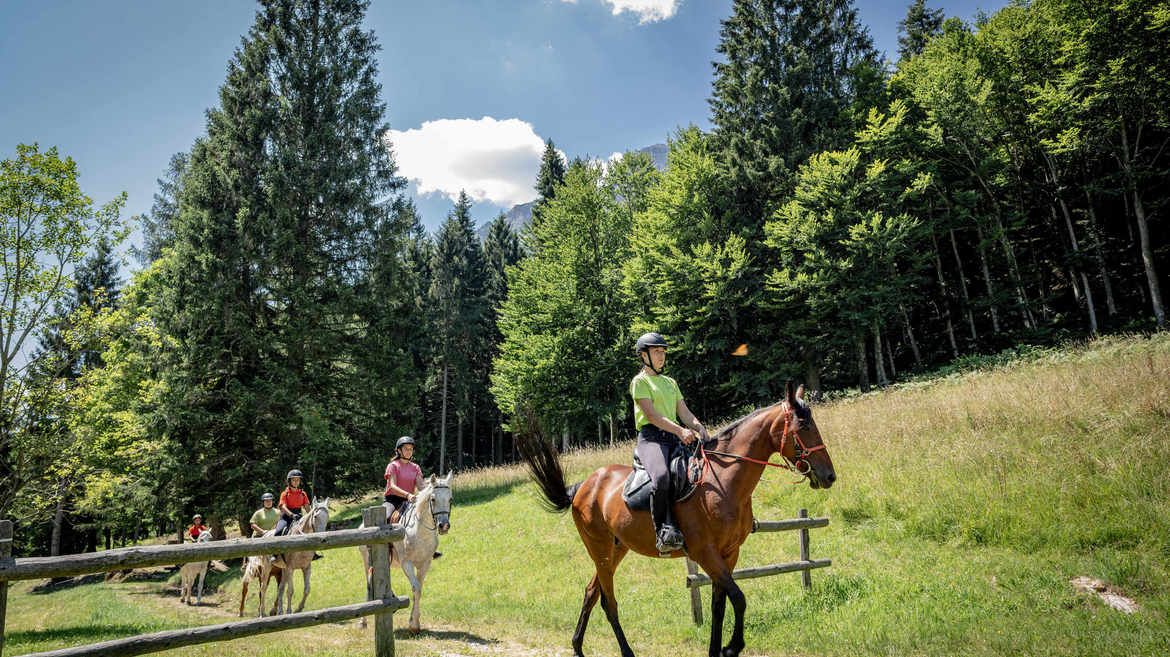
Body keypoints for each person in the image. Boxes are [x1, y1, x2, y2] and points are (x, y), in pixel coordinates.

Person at [630, 332, 709, 554]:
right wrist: (680, 430)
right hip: (651, 439)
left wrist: (699, 428)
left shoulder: (670, 382)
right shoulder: (640, 382)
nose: (661, 356)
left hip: (674, 438)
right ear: (644, 355)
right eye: (656, 351)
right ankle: (662, 531)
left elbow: (683, 412)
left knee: (704, 468)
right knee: (662, 478)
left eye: (663, 351)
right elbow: (652, 416)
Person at [384, 436, 441, 560]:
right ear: (399, 451)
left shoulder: (415, 467)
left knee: (428, 514)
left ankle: (431, 547)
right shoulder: (393, 466)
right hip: (392, 500)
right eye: (406, 449)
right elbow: (392, 486)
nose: (409, 451)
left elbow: (420, 486)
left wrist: (430, 492)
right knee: (386, 516)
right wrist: (408, 495)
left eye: (411, 449)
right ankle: (384, 548)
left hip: (409, 501)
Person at [271, 469, 310, 567]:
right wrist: (292, 515)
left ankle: (313, 553)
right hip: (287, 517)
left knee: (310, 529)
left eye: (298, 480)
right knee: (278, 532)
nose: (296, 482)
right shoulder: (285, 493)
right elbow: (283, 507)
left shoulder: (303, 493)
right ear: (290, 481)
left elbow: (307, 507)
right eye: (294, 480)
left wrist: (311, 515)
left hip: (299, 516)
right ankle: (274, 555)